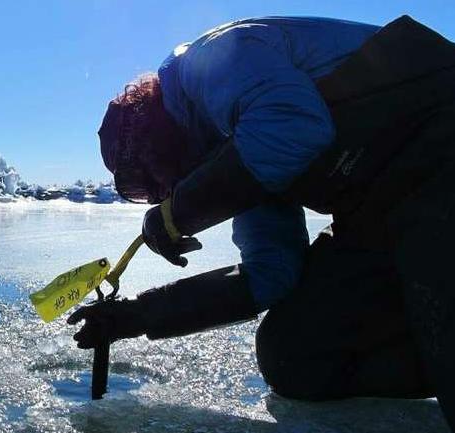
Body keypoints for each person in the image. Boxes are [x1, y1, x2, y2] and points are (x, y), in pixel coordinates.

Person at [66, 15, 455, 430]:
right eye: (151, 194)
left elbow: (296, 125)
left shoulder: (214, 60)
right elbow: (272, 272)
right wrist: (141, 315)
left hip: (439, 149)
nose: (165, 192)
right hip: (378, 211)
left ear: (156, 137)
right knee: (295, 352)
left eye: (154, 180)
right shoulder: (236, 151)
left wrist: (180, 212)